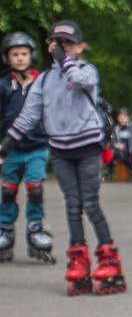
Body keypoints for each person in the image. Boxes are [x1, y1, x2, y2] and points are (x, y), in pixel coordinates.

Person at [1, 21, 125, 295]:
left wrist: (66, 62)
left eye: (68, 43)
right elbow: (28, 116)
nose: (63, 48)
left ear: (80, 47)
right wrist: (6, 146)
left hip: (87, 148)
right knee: (72, 205)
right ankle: (79, 260)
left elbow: (80, 81)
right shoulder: (44, 80)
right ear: (50, 46)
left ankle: (108, 258)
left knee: (90, 204)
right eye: (58, 43)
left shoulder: (86, 70)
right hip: (61, 151)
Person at [0, 32, 55, 263]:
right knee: (8, 190)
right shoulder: (3, 85)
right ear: (8, 59)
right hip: (11, 149)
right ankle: (5, 230)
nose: (20, 58)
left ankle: (36, 228)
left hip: (38, 146)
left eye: (24, 54)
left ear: (31, 55)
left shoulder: (43, 82)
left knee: (34, 188)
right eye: (15, 54)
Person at [110, 108, 132, 181]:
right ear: (118, 118)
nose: (122, 119)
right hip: (120, 150)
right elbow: (113, 142)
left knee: (128, 154)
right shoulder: (116, 128)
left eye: (124, 117)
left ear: (128, 118)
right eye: (120, 117)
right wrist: (118, 145)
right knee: (119, 153)